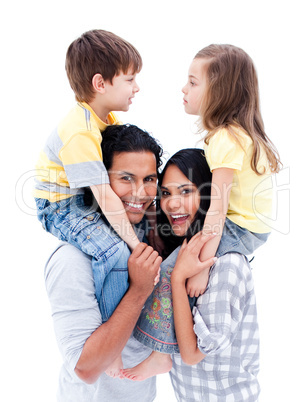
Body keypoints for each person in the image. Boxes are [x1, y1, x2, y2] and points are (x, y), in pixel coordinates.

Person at [123, 150, 261, 401]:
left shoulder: (227, 265)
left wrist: (177, 278)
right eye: (166, 193)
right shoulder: (183, 252)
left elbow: (191, 354)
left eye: (186, 191)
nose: (172, 203)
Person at [44, 124, 163, 401]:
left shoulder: (148, 235)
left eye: (149, 179)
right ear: (99, 183)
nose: (140, 192)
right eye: (125, 178)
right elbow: (84, 368)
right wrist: (139, 291)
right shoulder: (71, 259)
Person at [181, 44, 282, 297]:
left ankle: (159, 337)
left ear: (218, 92)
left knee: (177, 269)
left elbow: (218, 209)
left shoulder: (226, 139)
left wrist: (202, 268)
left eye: (193, 83)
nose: (184, 89)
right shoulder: (232, 134)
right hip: (247, 225)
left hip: (241, 228)